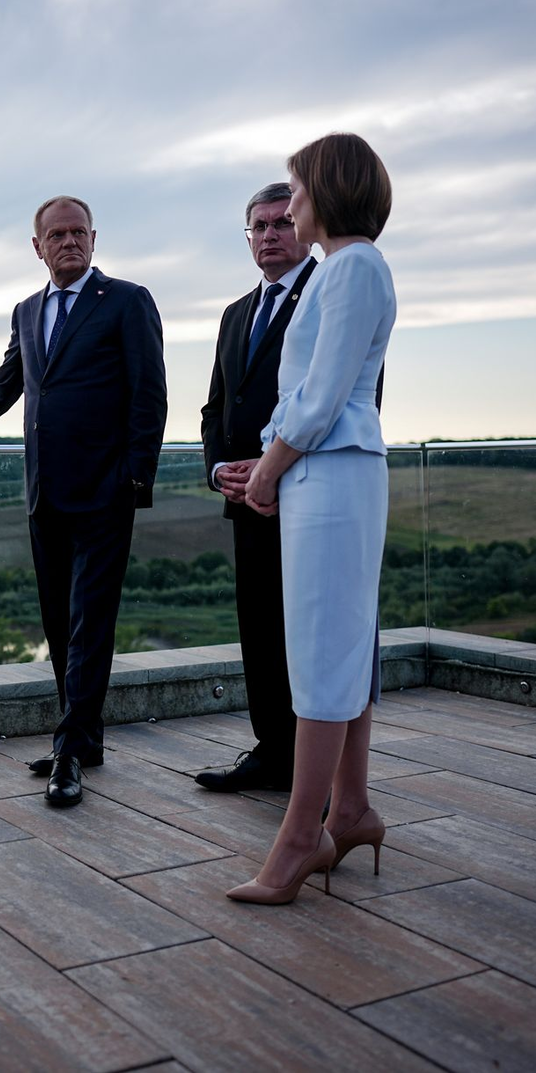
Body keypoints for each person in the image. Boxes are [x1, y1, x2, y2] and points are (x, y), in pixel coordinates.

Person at [0, 196, 167, 807]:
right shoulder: (26, 311)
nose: (69, 242)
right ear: (37, 246)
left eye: (79, 232)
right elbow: (4, 389)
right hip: (44, 493)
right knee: (56, 622)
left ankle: (69, 751)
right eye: (57, 234)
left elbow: (149, 394)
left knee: (88, 626)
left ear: (94, 239)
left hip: (105, 494)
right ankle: (85, 737)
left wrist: (134, 482)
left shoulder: (127, 300)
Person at [227, 133, 395, 904]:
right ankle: (352, 807)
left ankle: (301, 835)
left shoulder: (353, 265)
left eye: (295, 189)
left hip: (330, 475)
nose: (288, 204)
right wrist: (268, 460)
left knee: (324, 650)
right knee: (347, 645)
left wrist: (267, 467)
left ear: (325, 188)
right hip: (330, 475)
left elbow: (322, 397)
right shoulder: (345, 268)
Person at [196, 184, 315, 792]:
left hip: (306, 495)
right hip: (244, 499)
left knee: (307, 634)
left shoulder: (326, 294)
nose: (269, 235)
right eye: (258, 227)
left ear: (303, 226)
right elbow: (216, 407)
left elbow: (341, 403)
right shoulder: (235, 312)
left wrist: (272, 466)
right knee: (260, 629)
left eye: (280, 223)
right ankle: (272, 751)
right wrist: (220, 470)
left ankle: (315, 773)